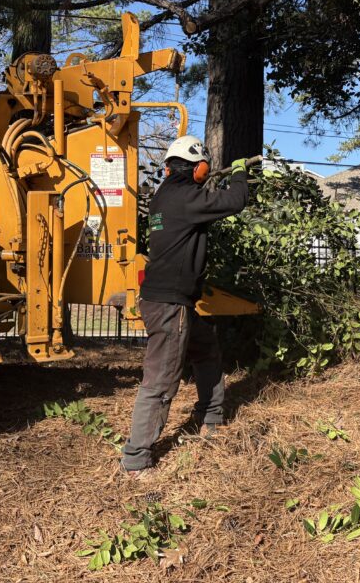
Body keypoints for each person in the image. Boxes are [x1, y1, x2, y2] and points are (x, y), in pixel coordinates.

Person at [120, 135, 249, 475]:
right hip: (170, 305)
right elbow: (236, 201)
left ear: (167, 169)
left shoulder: (164, 196)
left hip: (163, 299)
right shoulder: (189, 197)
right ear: (198, 169)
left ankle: (211, 418)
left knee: (206, 349)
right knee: (161, 380)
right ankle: (136, 458)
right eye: (203, 169)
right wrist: (237, 172)